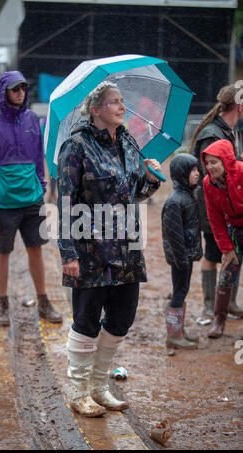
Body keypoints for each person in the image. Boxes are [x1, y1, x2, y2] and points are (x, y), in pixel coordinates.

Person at [57, 81, 161, 417]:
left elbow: (136, 193)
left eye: (122, 101)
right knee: (86, 320)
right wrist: (68, 252)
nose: (122, 107)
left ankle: (100, 387)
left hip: (128, 246)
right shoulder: (77, 146)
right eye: (114, 102)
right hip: (91, 248)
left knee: (121, 319)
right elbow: (65, 203)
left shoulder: (129, 143)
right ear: (96, 109)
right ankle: (78, 391)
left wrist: (151, 178)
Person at [0, 70, 62, 327]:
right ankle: (2, 304)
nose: (20, 91)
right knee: (3, 252)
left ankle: (43, 301)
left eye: (23, 87)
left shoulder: (33, 118)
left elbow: (37, 157)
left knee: (37, 250)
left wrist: (41, 186)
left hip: (32, 199)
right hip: (2, 202)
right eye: (15, 88)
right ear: (4, 91)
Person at [189, 84, 243, 319]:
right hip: (213, 207)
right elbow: (208, 179)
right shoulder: (212, 133)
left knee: (235, 254)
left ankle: (229, 302)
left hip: (231, 208)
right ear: (239, 106)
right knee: (213, 255)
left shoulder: (231, 130)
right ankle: (211, 305)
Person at [202, 139, 243, 338]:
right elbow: (214, 217)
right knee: (227, 273)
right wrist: (226, 248)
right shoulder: (208, 183)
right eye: (207, 163)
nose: (210, 167)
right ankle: (219, 320)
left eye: (214, 162)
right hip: (233, 230)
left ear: (226, 160)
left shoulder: (242, 173)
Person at [162, 153, 202, 349]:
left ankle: (179, 331)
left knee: (182, 291)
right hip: (181, 258)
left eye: (197, 169)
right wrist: (182, 259)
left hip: (186, 255)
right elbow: (174, 235)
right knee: (179, 292)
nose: (197, 173)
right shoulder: (175, 201)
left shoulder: (187, 195)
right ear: (181, 173)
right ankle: (174, 335)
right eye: (192, 170)